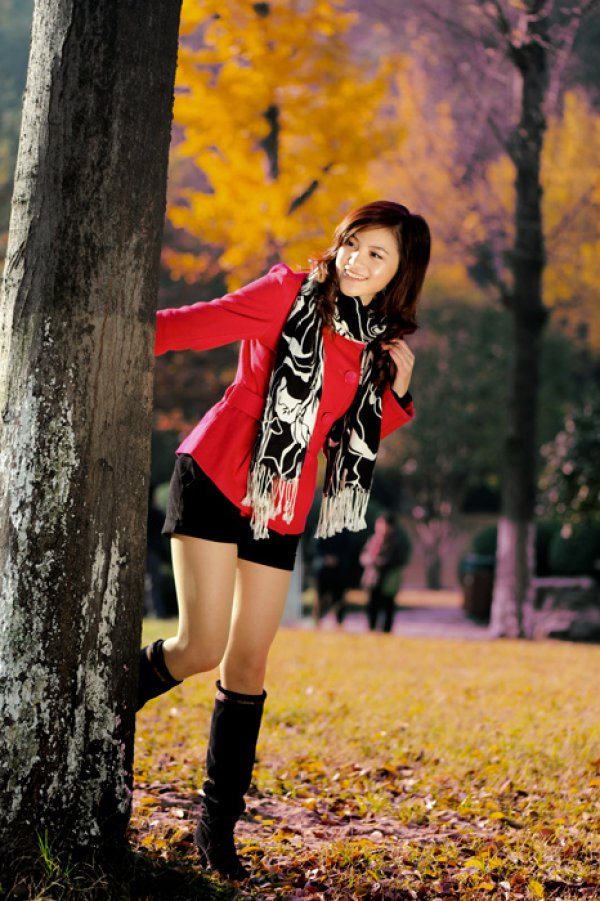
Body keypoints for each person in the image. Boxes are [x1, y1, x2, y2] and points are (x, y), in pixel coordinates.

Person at [136, 200, 431, 880]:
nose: (356, 261)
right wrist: (106, 326)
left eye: (377, 254)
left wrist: (398, 391)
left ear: (400, 272)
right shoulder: (287, 293)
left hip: (283, 499)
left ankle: (216, 830)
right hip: (217, 471)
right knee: (200, 647)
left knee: (247, 666)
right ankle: (98, 703)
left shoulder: (377, 344)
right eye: (353, 243)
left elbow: (346, 437)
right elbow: (188, 325)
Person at [360, 512, 411, 633]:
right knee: (372, 605)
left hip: (388, 579)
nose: (380, 527)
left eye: (383, 525)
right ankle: (371, 628)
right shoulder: (373, 540)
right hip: (372, 578)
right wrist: (370, 560)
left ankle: (386, 631)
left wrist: (379, 562)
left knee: (388, 606)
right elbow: (363, 555)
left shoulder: (396, 542)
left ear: (391, 526)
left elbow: (399, 559)